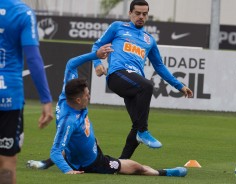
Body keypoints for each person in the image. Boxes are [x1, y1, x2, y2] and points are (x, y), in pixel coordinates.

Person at [92, 0, 193, 159]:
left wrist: (179, 85)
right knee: (147, 87)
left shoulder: (149, 40)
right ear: (130, 13)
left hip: (134, 82)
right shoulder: (117, 27)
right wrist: (97, 63)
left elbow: (159, 66)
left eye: (144, 14)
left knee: (136, 124)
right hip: (117, 75)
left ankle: (122, 163)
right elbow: (96, 45)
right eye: (137, 13)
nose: (141, 16)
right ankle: (144, 132)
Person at [51, 73, 187, 176]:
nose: (89, 97)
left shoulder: (71, 102)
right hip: (93, 164)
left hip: (89, 153)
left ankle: (44, 164)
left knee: (69, 146)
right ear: (78, 99)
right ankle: (163, 173)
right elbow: (55, 151)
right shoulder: (68, 121)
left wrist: (95, 56)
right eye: (87, 95)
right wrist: (68, 171)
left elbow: (71, 63)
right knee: (134, 167)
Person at [0, 0, 54, 183]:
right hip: (8, 98)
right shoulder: (23, 13)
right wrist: (46, 100)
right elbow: (33, 59)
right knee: (6, 163)